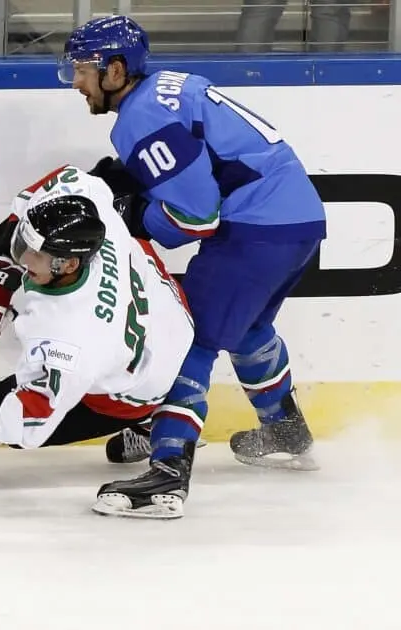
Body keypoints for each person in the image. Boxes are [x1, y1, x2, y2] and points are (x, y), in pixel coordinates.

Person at [57, 15, 325, 518]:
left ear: (115, 71)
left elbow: (194, 218)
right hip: (299, 220)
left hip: (256, 229)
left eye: (83, 70)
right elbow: (202, 161)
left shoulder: (141, 117)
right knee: (249, 328)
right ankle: (286, 430)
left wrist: (132, 213)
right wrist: (132, 178)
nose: (77, 82)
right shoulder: (166, 87)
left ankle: (168, 474)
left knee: (191, 338)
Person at [0, 164, 196, 517]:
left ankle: (144, 421)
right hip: (161, 304)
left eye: (35, 255)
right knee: (39, 357)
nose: (23, 258)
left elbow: (27, 425)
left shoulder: (72, 335)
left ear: (69, 264)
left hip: (133, 387)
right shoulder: (91, 206)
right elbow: (68, 175)